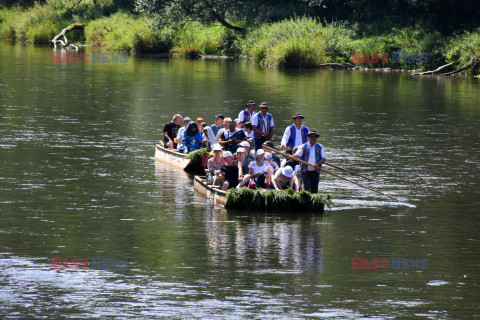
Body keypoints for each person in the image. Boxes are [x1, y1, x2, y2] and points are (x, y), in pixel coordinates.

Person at [289, 129, 326, 193]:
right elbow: (297, 156)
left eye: (315, 136)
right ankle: (306, 201)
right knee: (307, 188)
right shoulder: (303, 146)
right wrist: (289, 156)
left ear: (317, 138)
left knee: (314, 190)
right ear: (309, 137)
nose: (313, 138)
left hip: (315, 171)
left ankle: (313, 202)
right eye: (311, 136)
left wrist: (318, 163)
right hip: (305, 171)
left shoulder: (320, 147)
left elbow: (323, 159)